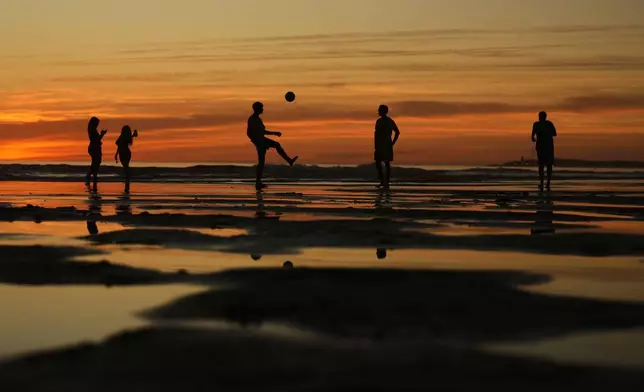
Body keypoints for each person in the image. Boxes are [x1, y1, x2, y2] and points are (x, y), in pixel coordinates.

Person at [247, 101, 298, 190]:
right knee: (261, 162)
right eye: (261, 107)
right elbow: (249, 133)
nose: (263, 109)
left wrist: (274, 133)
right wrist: (257, 143)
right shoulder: (252, 119)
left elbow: (263, 132)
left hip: (262, 140)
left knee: (275, 146)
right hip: (260, 142)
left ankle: (289, 161)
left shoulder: (258, 119)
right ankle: (258, 183)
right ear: (257, 109)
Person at [374, 105, 400, 189]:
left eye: (379, 110)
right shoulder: (379, 121)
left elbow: (397, 132)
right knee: (379, 163)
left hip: (386, 144)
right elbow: (376, 134)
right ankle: (383, 182)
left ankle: (386, 182)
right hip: (379, 145)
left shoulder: (389, 121)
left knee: (386, 163)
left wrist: (392, 143)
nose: (378, 111)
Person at [531, 111, 557, 191]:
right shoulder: (537, 124)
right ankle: (543, 183)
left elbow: (554, 134)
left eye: (542, 116)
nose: (541, 118)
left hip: (547, 146)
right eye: (540, 116)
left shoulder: (548, 124)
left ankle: (547, 182)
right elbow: (532, 136)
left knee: (547, 165)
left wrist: (543, 134)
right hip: (542, 147)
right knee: (542, 165)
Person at [85, 117, 107, 184]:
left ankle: (92, 175)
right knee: (96, 162)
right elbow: (96, 139)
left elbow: (97, 139)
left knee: (96, 162)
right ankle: (90, 175)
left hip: (94, 147)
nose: (98, 124)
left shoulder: (92, 130)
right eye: (97, 123)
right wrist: (102, 134)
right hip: (94, 148)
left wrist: (101, 134)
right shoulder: (92, 130)